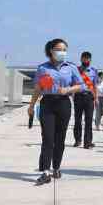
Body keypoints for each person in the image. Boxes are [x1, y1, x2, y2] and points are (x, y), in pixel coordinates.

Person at [28, 39, 86, 185]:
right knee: (47, 138)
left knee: (60, 138)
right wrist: (31, 106)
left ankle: (56, 167)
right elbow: (38, 89)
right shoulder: (43, 68)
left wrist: (68, 89)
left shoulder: (71, 67)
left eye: (64, 50)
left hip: (63, 104)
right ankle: (45, 171)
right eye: (59, 49)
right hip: (47, 104)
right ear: (51, 51)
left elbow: (81, 85)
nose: (62, 52)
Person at [73, 51, 99, 149]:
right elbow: (72, 82)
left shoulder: (94, 71)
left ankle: (87, 142)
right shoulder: (76, 70)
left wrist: (96, 98)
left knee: (89, 120)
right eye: (84, 58)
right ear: (81, 59)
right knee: (77, 119)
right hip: (78, 96)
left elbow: (95, 85)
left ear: (90, 60)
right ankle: (77, 140)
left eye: (87, 58)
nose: (86, 60)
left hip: (89, 97)